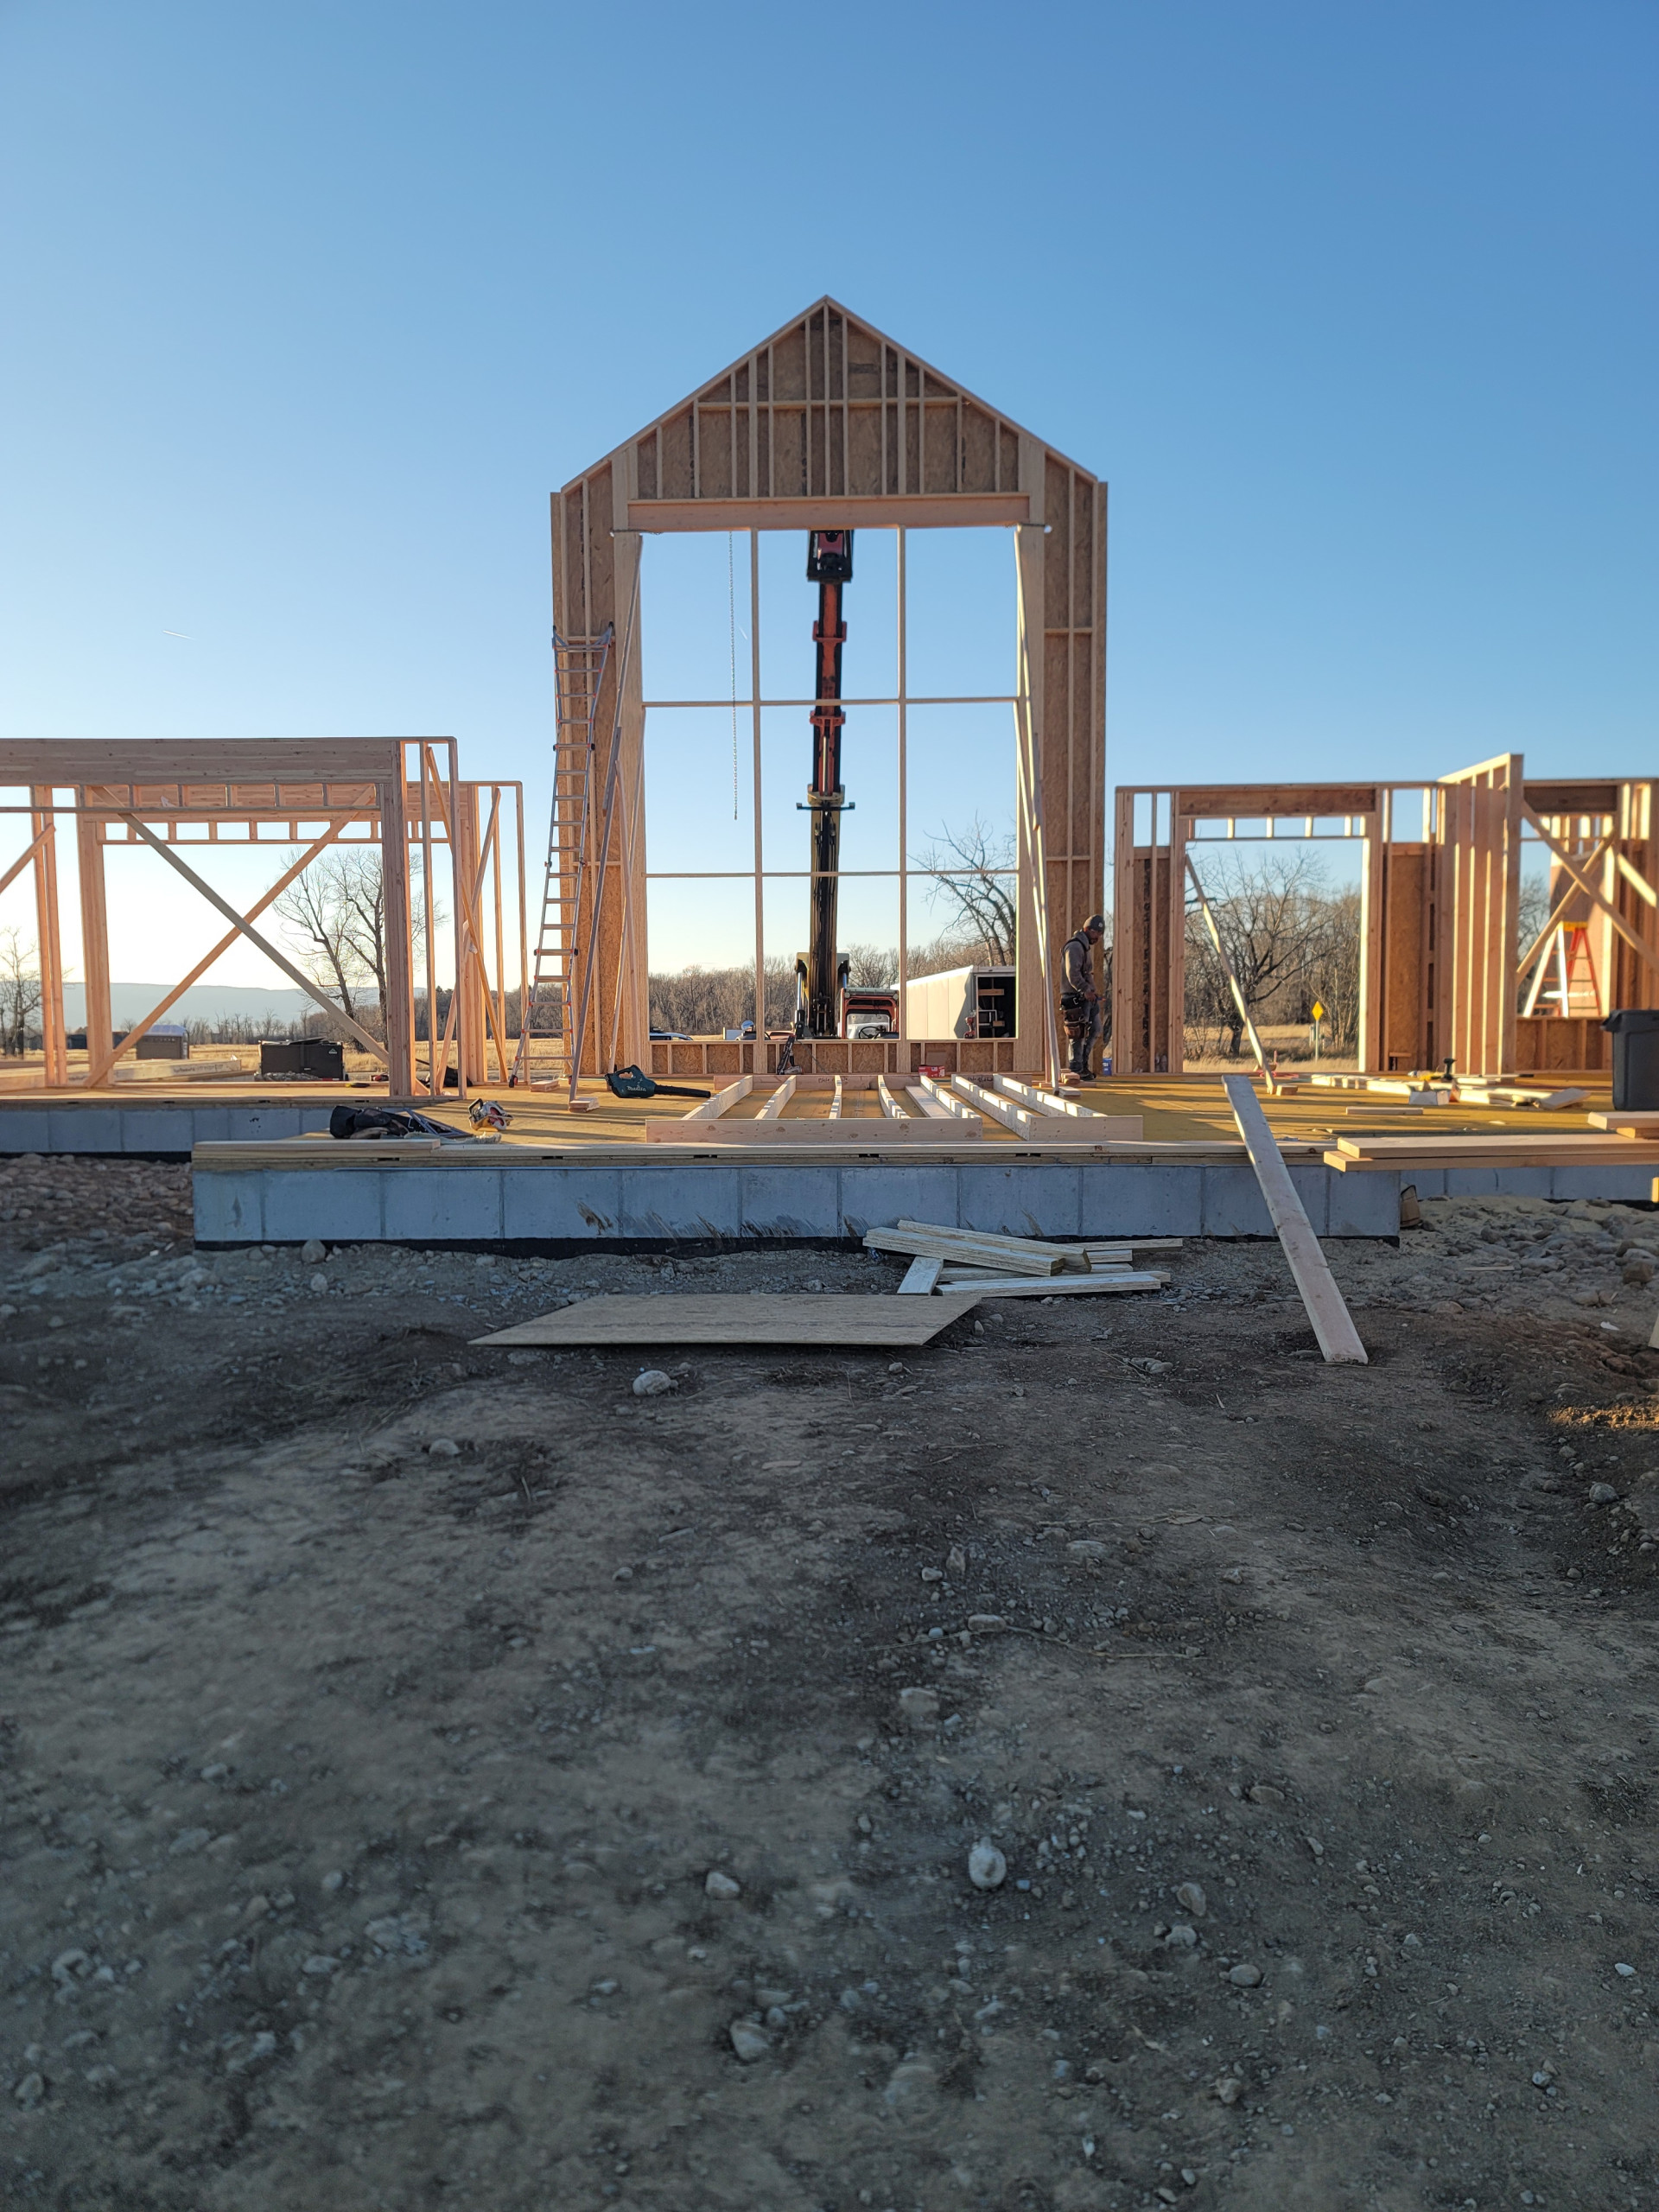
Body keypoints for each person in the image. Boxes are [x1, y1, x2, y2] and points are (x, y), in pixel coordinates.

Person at [1058, 913, 1105, 1078]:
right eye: (1096, 933)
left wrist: (1092, 991)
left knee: (1095, 1029)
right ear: (1087, 930)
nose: (1098, 937)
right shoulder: (1075, 947)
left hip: (1086, 998)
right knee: (1077, 1034)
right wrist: (1085, 990)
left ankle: (1082, 1065)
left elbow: (1085, 974)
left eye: (1100, 934)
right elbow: (1073, 974)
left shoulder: (1084, 947)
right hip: (1075, 998)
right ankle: (1076, 1070)